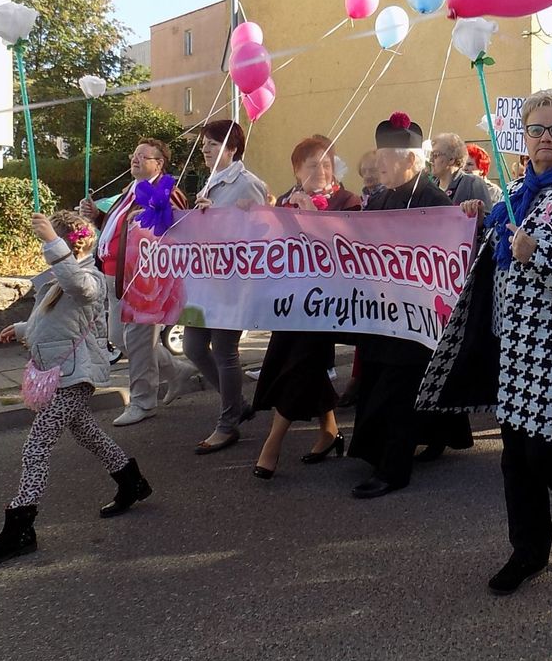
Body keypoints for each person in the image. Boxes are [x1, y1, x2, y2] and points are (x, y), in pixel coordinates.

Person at [418, 89, 552, 596]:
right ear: (523, 137)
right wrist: (475, 220)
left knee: (546, 452)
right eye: (536, 130)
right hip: (512, 346)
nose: (546, 139)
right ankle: (528, 550)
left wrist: (537, 256)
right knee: (514, 455)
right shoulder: (509, 197)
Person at [0, 212, 152, 567]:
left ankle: (20, 530)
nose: (44, 248)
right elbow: (56, 319)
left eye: (52, 241)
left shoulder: (91, 277)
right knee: (87, 433)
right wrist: (22, 329)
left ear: (69, 242)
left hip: (74, 376)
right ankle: (132, 481)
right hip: (62, 371)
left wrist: (52, 241)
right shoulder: (61, 277)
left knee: (36, 448)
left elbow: (79, 289)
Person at [346, 112, 473, 498]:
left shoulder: (434, 201)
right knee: (386, 383)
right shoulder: (380, 198)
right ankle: (436, 435)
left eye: (386, 157)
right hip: (382, 313)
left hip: (418, 317)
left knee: (399, 392)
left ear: (409, 160)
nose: (377, 164)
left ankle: (394, 469)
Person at [250, 136, 359, 479]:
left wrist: (313, 218)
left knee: (299, 365)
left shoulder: (348, 200)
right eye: (313, 165)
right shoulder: (284, 200)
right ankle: (329, 431)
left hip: (327, 304)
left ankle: (272, 444)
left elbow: (351, 248)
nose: (322, 171)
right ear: (297, 170)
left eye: (327, 164)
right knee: (295, 363)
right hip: (291, 301)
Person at [79, 137, 198, 427]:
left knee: (139, 340)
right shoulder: (130, 191)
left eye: (144, 156)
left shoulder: (167, 191)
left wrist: (147, 215)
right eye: (135, 154)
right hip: (115, 275)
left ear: (159, 164)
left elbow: (174, 226)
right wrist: (98, 217)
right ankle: (176, 371)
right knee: (120, 338)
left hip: (144, 280)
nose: (136, 159)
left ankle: (143, 401)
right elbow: (121, 227)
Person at [186, 120, 269, 454]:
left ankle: (228, 424)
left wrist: (217, 215)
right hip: (205, 281)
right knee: (193, 346)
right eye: (204, 143)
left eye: (212, 143)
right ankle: (235, 405)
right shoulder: (211, 182)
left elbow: (260, 232)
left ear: (232, 148)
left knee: (223, 351)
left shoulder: (247, 184)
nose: (204, 148)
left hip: (232, 283)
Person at [430, 132, 496, 210]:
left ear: (451, 159)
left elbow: (487, 218)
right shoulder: (430, 187)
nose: (431, 160)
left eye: (436, 155)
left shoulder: (472, 183)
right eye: (430, 155)